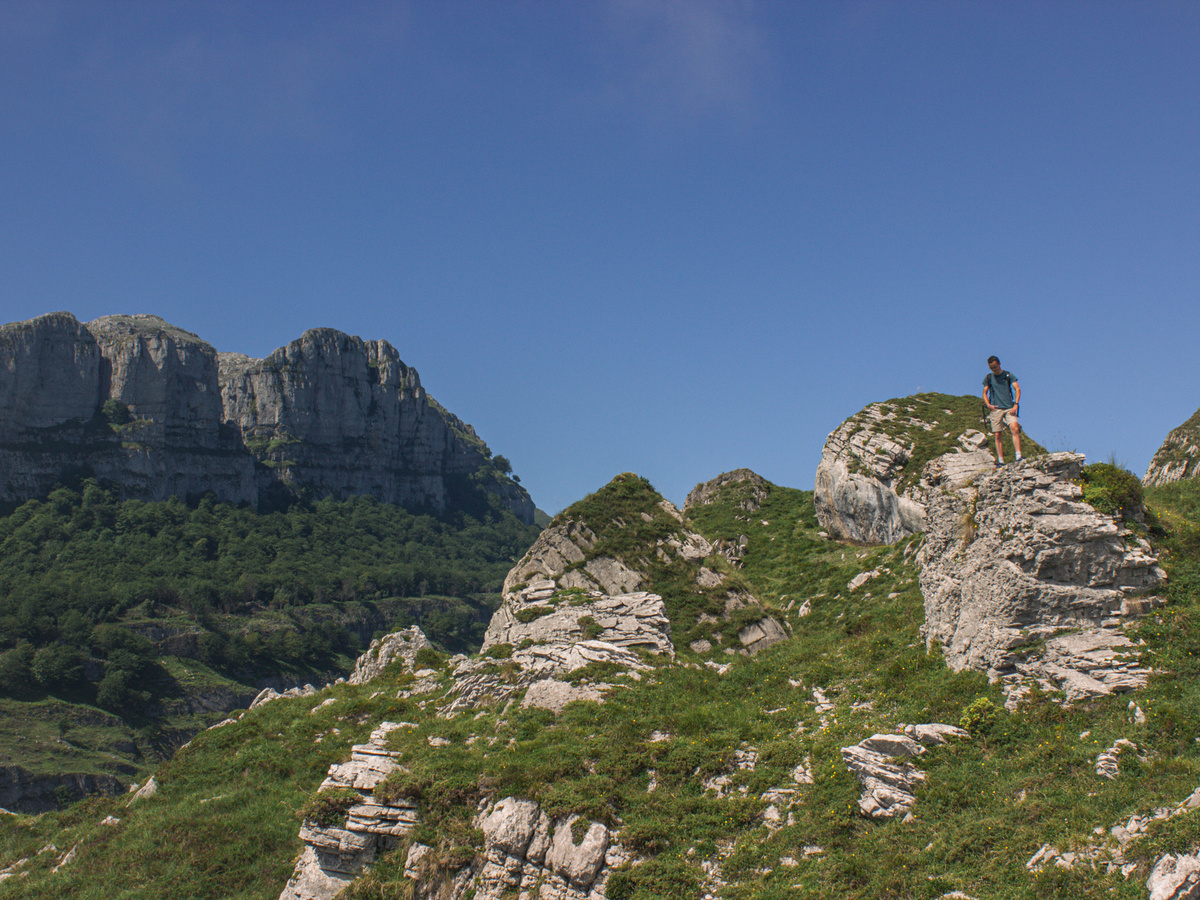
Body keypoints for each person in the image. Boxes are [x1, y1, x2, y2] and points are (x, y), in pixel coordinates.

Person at [982, 355, 1022, 466]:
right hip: (996, 409)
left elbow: (1017, 389)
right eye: (991, 368)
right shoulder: (989, 378)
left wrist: (1016, 404)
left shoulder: (1008, 375)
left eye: (995, 367)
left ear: (999, 364)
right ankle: (1000, 461)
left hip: (1009, 407)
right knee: (997, 435)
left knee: (1015, 428)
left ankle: (1019, 456)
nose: (994, 369)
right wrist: (988, 405)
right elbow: (984, 392)